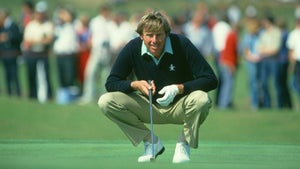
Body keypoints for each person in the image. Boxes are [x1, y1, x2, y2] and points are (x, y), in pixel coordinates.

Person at [98, 11, 218, 163]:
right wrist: (135, 84)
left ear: (166, 34)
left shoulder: (182, 44)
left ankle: (183, 143)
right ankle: (151, 142)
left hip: (181, 106)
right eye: (149, 35)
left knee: (202, 99)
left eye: (159, 35)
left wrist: (179, 88)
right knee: (106, 101)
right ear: (141, 35)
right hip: (148, 106)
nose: (155, 40)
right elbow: (111, 82)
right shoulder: (132, 47)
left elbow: (210, 79)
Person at [79, 4, 114, 104]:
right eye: (104, 10)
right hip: (96, 50)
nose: (106, 12)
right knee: (90, 73)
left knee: (106, 75)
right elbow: (90, 34)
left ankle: (104, 97)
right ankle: (88, 96)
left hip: (107, 50)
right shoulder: (95, 21)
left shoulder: (110, 22)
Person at [22, 1, 54, 102]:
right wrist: (40, 41)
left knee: (45, 76)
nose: (39, 15)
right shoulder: (30, 25)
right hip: (32, 54)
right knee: (31, 76)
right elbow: (27, 41)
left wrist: (35, 41)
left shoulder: (48, 25)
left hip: (43, 54)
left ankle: (48, 96)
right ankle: (32, 96)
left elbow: (49, 39)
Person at [257, 13, 281, 108]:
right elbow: (260, 48)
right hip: (265, 61)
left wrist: (265, 50)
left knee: (276, 83)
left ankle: (279, 104)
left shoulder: (276, 32)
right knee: (263, 82)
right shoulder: (263, 33)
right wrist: (267, 50)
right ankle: (267, 104)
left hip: (274, 61)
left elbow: (275, 49)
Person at [0, 8, 23, 97]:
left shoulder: (13, 25)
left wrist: (7, 37)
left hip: (12, 54)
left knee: (14, 74)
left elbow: (18, 37)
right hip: (4, 54)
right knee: (7, 74)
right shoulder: (2, 26)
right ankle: (9, 92)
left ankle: (17, 92)